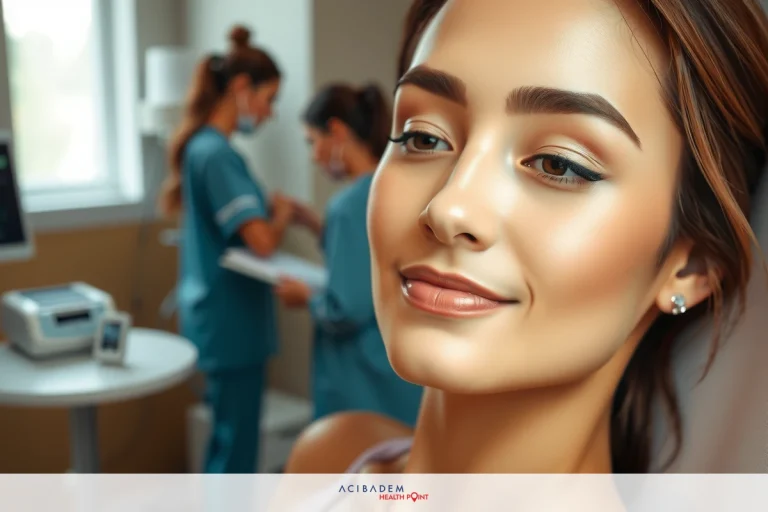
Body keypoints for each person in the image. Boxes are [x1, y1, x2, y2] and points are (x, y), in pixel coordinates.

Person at [285, 0, 768, 474]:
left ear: (692, 265)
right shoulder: (327, 461)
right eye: (423, 138)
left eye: (558, 164)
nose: (449, 208)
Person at [159, 25, 293, 474]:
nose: (270, 112)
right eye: (269, 99)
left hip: (219, 320)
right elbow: (261, 241)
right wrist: (281, 215)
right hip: (231, 325)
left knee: (227, 441)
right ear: (241, 88)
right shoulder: (217, 154)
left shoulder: (204, 149)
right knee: (236, 450)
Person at [274, 83, 424, 427]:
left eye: (312, 142)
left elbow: (346, 308)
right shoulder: (401, 189)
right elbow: (376, 261)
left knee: (354, 457)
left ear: (337, 131)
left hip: (361, 379)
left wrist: (305, 298)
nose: (313, 156)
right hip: (400, 372)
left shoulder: (346, 208)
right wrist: (319, 227)